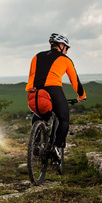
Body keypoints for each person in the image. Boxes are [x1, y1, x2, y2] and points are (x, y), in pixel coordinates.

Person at [25, 33, 86, 161]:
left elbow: (32, 75)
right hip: (53, 89)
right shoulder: (65, 59)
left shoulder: (36, 56)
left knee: (39, 114)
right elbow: (75, 81)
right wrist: (81, 95)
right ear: (61, 46)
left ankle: (35, 143)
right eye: (67, 48)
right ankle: (57, 147)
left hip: (34, 92)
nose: (67, 51)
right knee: (63, 118)